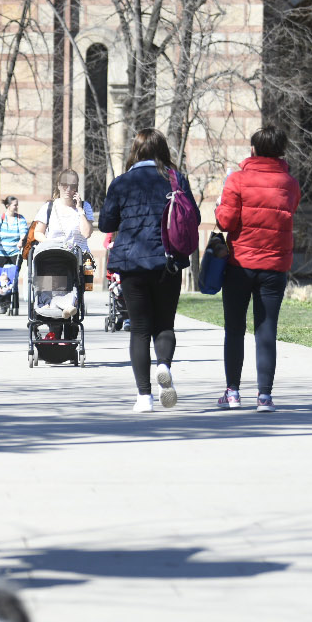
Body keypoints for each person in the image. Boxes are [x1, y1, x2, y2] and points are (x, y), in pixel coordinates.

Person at [97, 128, 197, 412]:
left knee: (139, 329)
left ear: (136, 151)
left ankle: (144, 397)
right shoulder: (177, 180)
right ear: (162, 151)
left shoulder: (121, 183)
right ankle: (163, 364)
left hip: (132, 264)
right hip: (168, 262)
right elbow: (194, 217)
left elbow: (106, 223)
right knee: (164, 324)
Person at [212, 125, 301, 412]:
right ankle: (264, 396)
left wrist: (219, 205)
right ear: (281, 151)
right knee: (266, 331)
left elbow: (225, 222)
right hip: (275, 266)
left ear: (253, 149)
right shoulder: (290, 183)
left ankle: (233, 392)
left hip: (240, 264)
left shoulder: (237, 180)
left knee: (234, 329)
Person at [28, 170, 94, 257]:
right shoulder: (48, 207)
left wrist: (80, 209)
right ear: (59, 185)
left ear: (76, 187)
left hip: (79, 259)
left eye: (72, 185)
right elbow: (38, 232)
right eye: (64, 185)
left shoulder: (85, 206)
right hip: (55, 258)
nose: (68, 189)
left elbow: (86, 233)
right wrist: (50, 244)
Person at [0, 195, 27, 294]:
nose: (17, 207)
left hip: (15, 252)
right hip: (1, 252)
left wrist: (21, 240)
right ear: (8, 206)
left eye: (17, 205)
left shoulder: (20, 219)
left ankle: (13, 301)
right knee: (0, 276)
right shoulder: (0, 218)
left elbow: (24, 231)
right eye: (15, 205)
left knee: (13, 276)